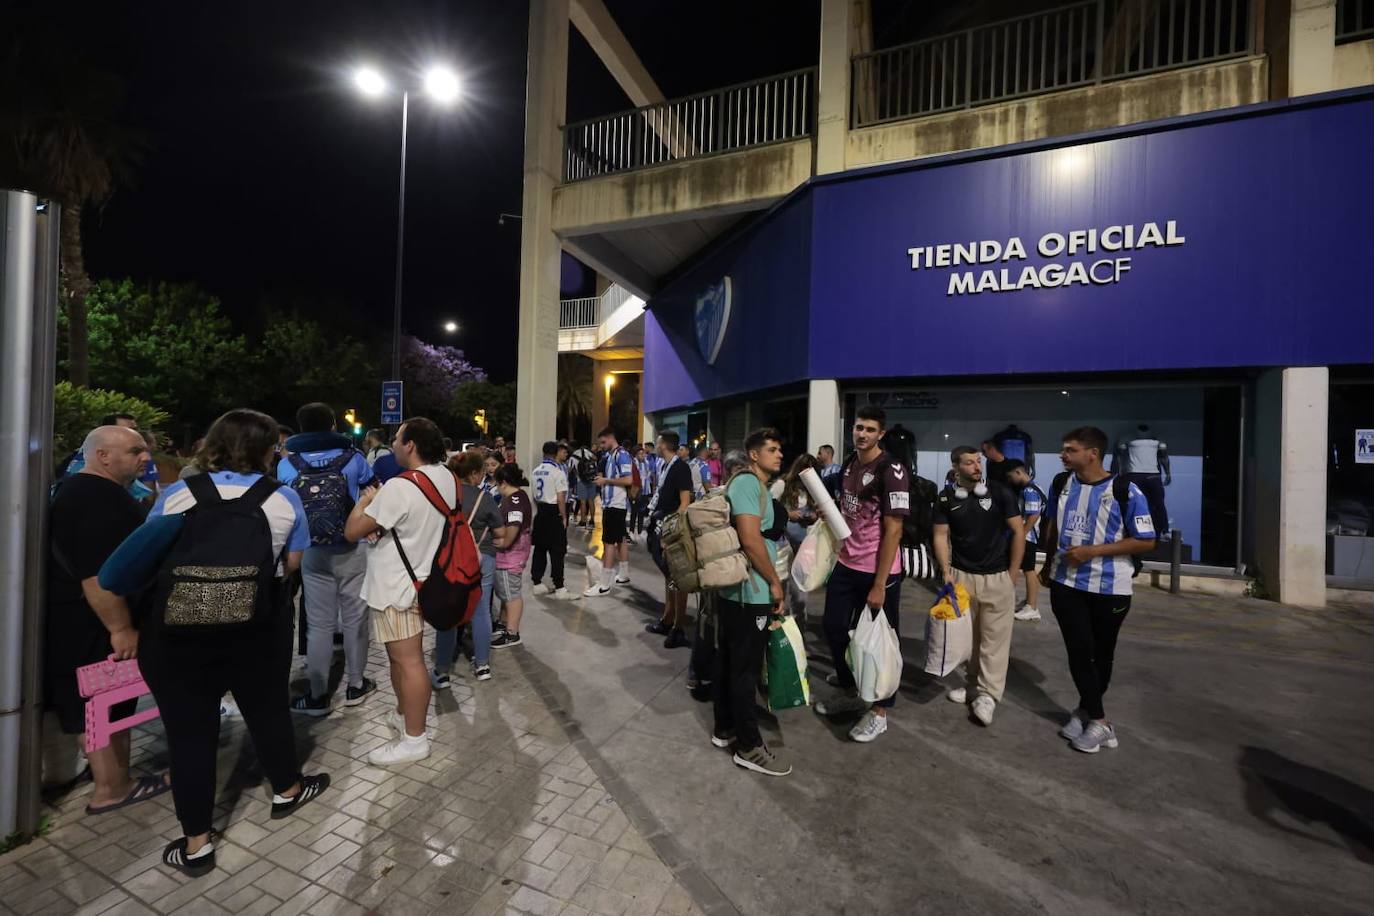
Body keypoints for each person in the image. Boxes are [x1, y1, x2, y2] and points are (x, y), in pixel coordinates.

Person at [132, 409, 327, 876]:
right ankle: (286, 790)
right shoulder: (283, 499)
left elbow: (149, 555)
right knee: (267, 711)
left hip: (178, 631)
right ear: (267, 451)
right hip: (256, 628)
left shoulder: (178, 494)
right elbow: (292, 563)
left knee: (189, 734)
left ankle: (197, 842)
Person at [45, 425, 170, 816]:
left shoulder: (82, 491)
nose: (145, 457)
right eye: (136, 450)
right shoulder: (94, 498)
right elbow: (97, 575)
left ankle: (112, 775)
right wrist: (120, 628)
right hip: (93, 623)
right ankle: (112, 787)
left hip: (82, 619)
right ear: (102, 456)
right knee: (100, 701)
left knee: (103, 700)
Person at [1039, 426, 1156, 753]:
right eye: (1064, 449)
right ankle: (1099, 719)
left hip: (1110, 588)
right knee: (1078, 651)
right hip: (1066, 584)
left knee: (1101, 654)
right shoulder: (1061, 484)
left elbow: (1146, 540)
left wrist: (1093, 551)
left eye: (1070, 449)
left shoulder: (1125, 489)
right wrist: (1047, 564)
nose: (1063, 455)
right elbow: (1051, 527)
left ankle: (1089, 713)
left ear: (1092, 453)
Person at [345, 418, 453, 765]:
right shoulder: (445, 477)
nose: (392, 443)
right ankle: (406, 716)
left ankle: (414, 739)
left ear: (410, 445)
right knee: (403, 659)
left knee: (408, 662)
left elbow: (352, 531)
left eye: (397, 438)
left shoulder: (399, 487)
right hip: (425, 579)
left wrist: (366, 501)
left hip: (397, 586)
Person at [814, 406, 910, 743]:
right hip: (847, 562)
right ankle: (851, 688)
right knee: (834, 627)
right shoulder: (850, 465)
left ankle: (880, 710)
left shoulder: (892, 469)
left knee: (881, 643)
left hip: (878, 571)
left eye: (870, 429)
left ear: (880, 433)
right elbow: (847, 510)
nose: (862, 434)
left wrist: (880, 584)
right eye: (858, 428)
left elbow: (894, 529)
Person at [278, 402, 376, 716]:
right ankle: (355, 685)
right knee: (355, 619)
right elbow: (372, 493)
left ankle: (318, 695)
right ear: (333, 425)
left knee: (318, 624)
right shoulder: (354, 458)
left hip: (310, 550)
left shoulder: (287, 465)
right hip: (351, 546)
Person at [712, 429, 790, 776]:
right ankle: (749, 747)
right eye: (771, 450)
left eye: (780, 449)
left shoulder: (753, 486)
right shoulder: (747, 484)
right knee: (745, 670)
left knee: (732, 662)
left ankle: (725, 728)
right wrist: (774, 582)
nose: (779, 455)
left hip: (742, 591)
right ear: (753, 455)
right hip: (750, 590)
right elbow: (749, 537)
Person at [933, 445, 1024, 727]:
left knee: (994, 641)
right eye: (970, 462)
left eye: (978, 462)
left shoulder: (1000, 492)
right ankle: (972, 685)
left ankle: (988, 695)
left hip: (998, 577)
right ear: (956, 466)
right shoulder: (947, 497)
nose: (976, 467)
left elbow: (1018, 531)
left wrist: (1012, 573)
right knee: (967, 639)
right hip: (961, 577)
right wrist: (945, 571)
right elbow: (939, 535)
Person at [432, 452, 502, 685]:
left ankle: (442, 671)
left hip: (450, 561)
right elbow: (500, 532)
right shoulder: (486, 498)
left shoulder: (443, 496)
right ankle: (482, 665)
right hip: (482, 558)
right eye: (482, 472)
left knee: (450, 613)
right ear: (473, 474)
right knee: (481, 611)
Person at [644, 431, 694, 648]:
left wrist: (672, 534)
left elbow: (685, 503)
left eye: (657, 442)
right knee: (669, 577)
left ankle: (678, 627)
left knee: (677, 578)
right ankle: (667, 618)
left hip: (671, 531)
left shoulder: (680, 467)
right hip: (660, 526)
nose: (655, 445)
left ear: (663, 445)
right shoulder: (665, 466)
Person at [583, 427, 634, 597]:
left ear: (611, 438)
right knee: (620, 539)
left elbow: (628, 480)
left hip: (615, 505)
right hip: (613, 504)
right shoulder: (611, 455)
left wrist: (605, 481)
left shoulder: (621, 455)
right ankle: (624, 574)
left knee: (609, 542)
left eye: (603, 442)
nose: (602, 446)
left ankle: (604, 584)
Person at [491, 465, 535, 648]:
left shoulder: (514, 500)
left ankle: (512, 633)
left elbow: (514, 524)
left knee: (511, 594)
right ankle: (503, 624)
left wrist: (505, 542)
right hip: (513, 553)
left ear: (503, 482)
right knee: (506, 591)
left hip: (512, 554)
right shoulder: (518, 496)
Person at [1004, 459, 1046, 622]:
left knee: (1029, 570)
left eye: (1010, 476)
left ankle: (1032, 607)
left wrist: (1021, 534)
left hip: (1028, 537)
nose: (1010, 480)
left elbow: (1033, 514)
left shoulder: (1029, 490)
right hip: (1028, 536)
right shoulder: (1036, 487)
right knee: (1028, 569)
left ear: (1018, 472)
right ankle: (1029, 602)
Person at [530, 441, 572, 600]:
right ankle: (559, 587)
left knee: (540, 548)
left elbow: (534, 496)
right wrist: (564, 516)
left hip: (541, 511)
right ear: (555, 454)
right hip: (554, 512)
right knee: (557, 551)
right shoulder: (557, 472)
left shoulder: (535, 471)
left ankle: (537, 582)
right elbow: (561, 497)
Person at [570, 442, 598, 528]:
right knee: (591, 501)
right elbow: (595, 459)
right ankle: (592, 520)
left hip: (581, 480)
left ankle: (583, 521)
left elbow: (570, 469)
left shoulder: (573, 456)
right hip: (591, 479)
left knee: (582, 502)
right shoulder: (588, 452)